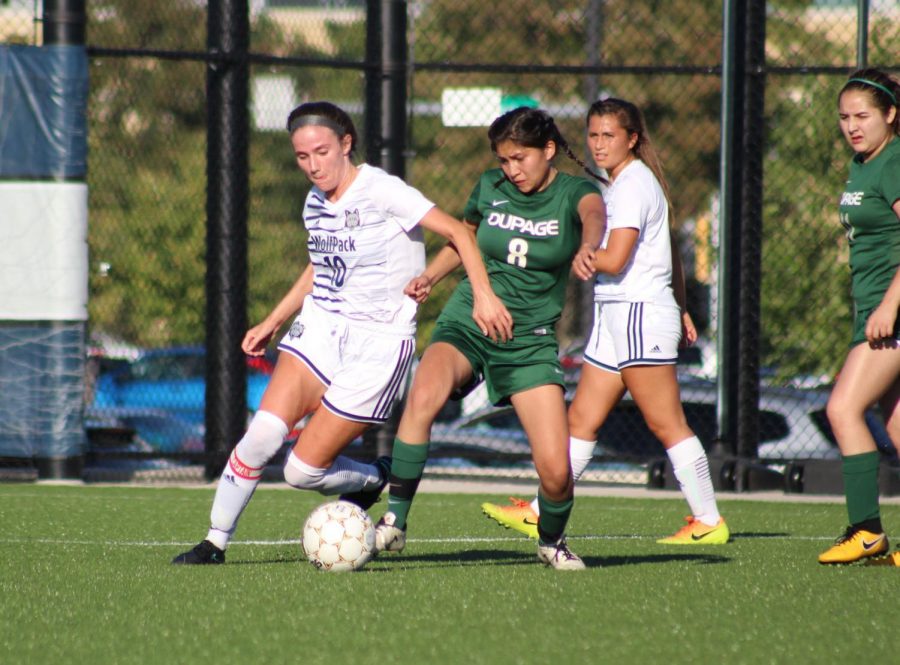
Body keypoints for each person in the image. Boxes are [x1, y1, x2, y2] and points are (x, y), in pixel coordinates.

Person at [172, 101, 511, 564]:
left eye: (322, 152)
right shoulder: (314, 201)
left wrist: (483, 297)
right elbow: (321, 264)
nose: (313, 165)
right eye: (302, 156)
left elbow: (459, 233)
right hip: (321, 328)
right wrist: (274, 321)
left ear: (346, 144)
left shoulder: (381, 190)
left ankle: (373, 478)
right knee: (260, 438)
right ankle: (214, 541)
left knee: (300, 471)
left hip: (378, 344)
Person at [482, 97, 729, 546]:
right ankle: (540, 511)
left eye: (608, 136)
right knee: (581, 421)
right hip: (617, 315)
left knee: (666, 423)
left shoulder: (634, 183)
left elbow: (614, 260)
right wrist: (682, 304)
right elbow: (666, 249)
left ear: (631, 139)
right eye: (593, 135)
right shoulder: (619, 184)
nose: (598, 144)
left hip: (637, 313)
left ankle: (708, 519)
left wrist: (586, 254)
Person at [371, 107, 606, 571]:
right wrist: (431, 277)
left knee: (557, 474)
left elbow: (593, 214)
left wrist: (589, 244)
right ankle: (394, 521)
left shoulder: (575, 192)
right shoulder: (490, 186)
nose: (511, 170)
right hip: (470, 318)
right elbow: (467, 237)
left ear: (549, 151)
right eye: (503, 160)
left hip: (530, 341)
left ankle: (551, 541)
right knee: (423, 397)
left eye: (520, 158)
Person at [818, 69, 900, 566]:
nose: (852, 125)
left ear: (891, 115)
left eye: (863, 116)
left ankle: (866, 531)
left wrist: (890, 305)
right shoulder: (862, 163)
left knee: (842, 410)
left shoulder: (893, 161)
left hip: (890, 312)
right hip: (872, 308)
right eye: (845, 116)